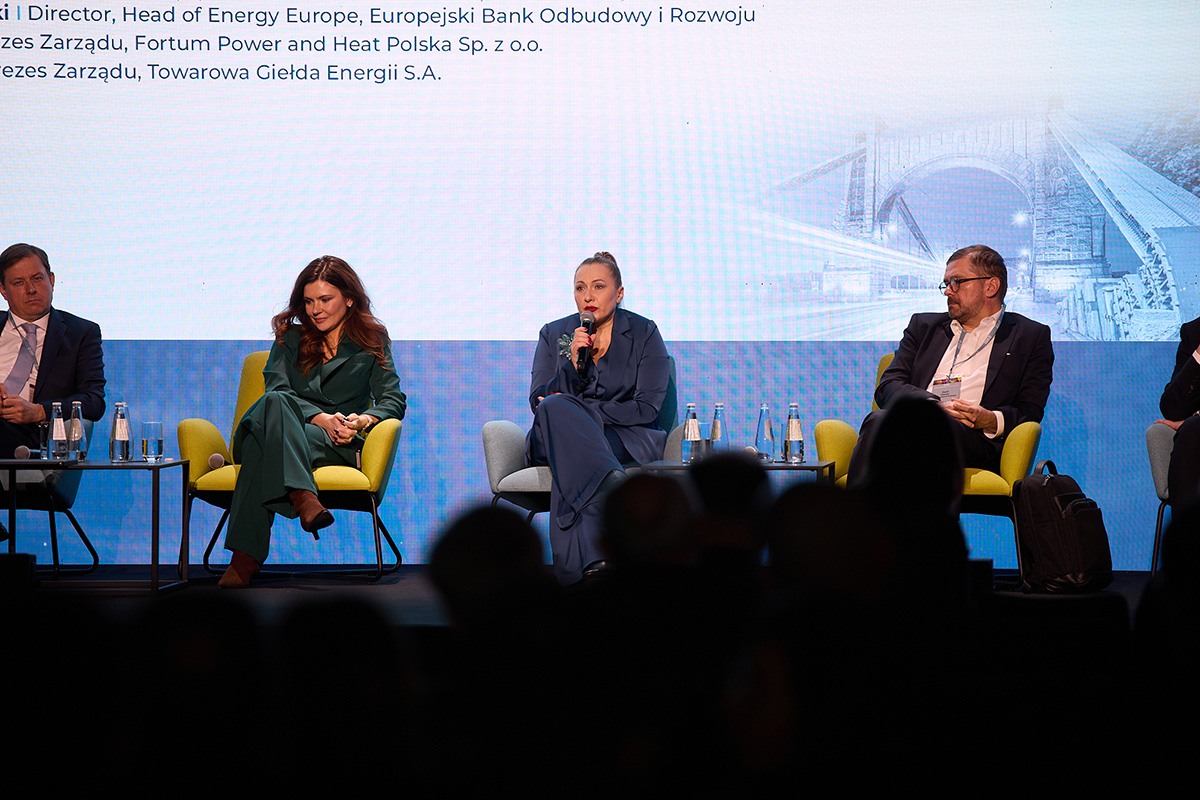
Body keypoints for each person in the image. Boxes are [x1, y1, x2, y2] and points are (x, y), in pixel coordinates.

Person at [218, 256, 407, 588]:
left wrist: (363, 420)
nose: (315, 310)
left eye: (325, 299)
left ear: (349, 299)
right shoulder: (289, 337)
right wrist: (321, 418)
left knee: (264, 448)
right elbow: (276, 390)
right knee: (275, 401)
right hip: (276, 425)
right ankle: (302, 494)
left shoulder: (372, 339)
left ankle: (244, 559)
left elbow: (393, 400)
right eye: (308, 302)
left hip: (332, 443)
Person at [525, 251, 671, 585]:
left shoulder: (644, 332)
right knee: (555, 410)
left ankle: (593, 563)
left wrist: (585, 414)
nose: (588, 296)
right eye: (580, 288)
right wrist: (572, 365)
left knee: (576, 446)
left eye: (598, 286)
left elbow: (647, 407)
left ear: (619, 294)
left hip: (623, 436)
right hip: (554, 433)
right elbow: (539, 401)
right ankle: (610, 497)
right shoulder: (555, 333)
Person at [849, 244, 1053, 481]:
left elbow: (1030, 408)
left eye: (957, 282)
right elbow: (888, 385)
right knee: (880, 422)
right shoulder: (923, 327)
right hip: (916, 423)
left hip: (973, 440)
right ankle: (861, 506)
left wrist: (989, 418)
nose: (947, 291)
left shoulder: (1029, 336)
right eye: (946, 283)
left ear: (991, 286)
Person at [0, 243, 106, 540]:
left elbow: (94, 401)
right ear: (3, 291)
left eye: (37, 278)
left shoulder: (81, 333)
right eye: (18, 283)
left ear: (52, 280)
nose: (31, 289)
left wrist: (39, 411)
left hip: (37, 442)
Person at [1156, 316, 1200, 509]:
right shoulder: (1194, 332)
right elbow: (1173, 409)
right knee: (1192, 429)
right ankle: (1188, 526)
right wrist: (1198, 356)